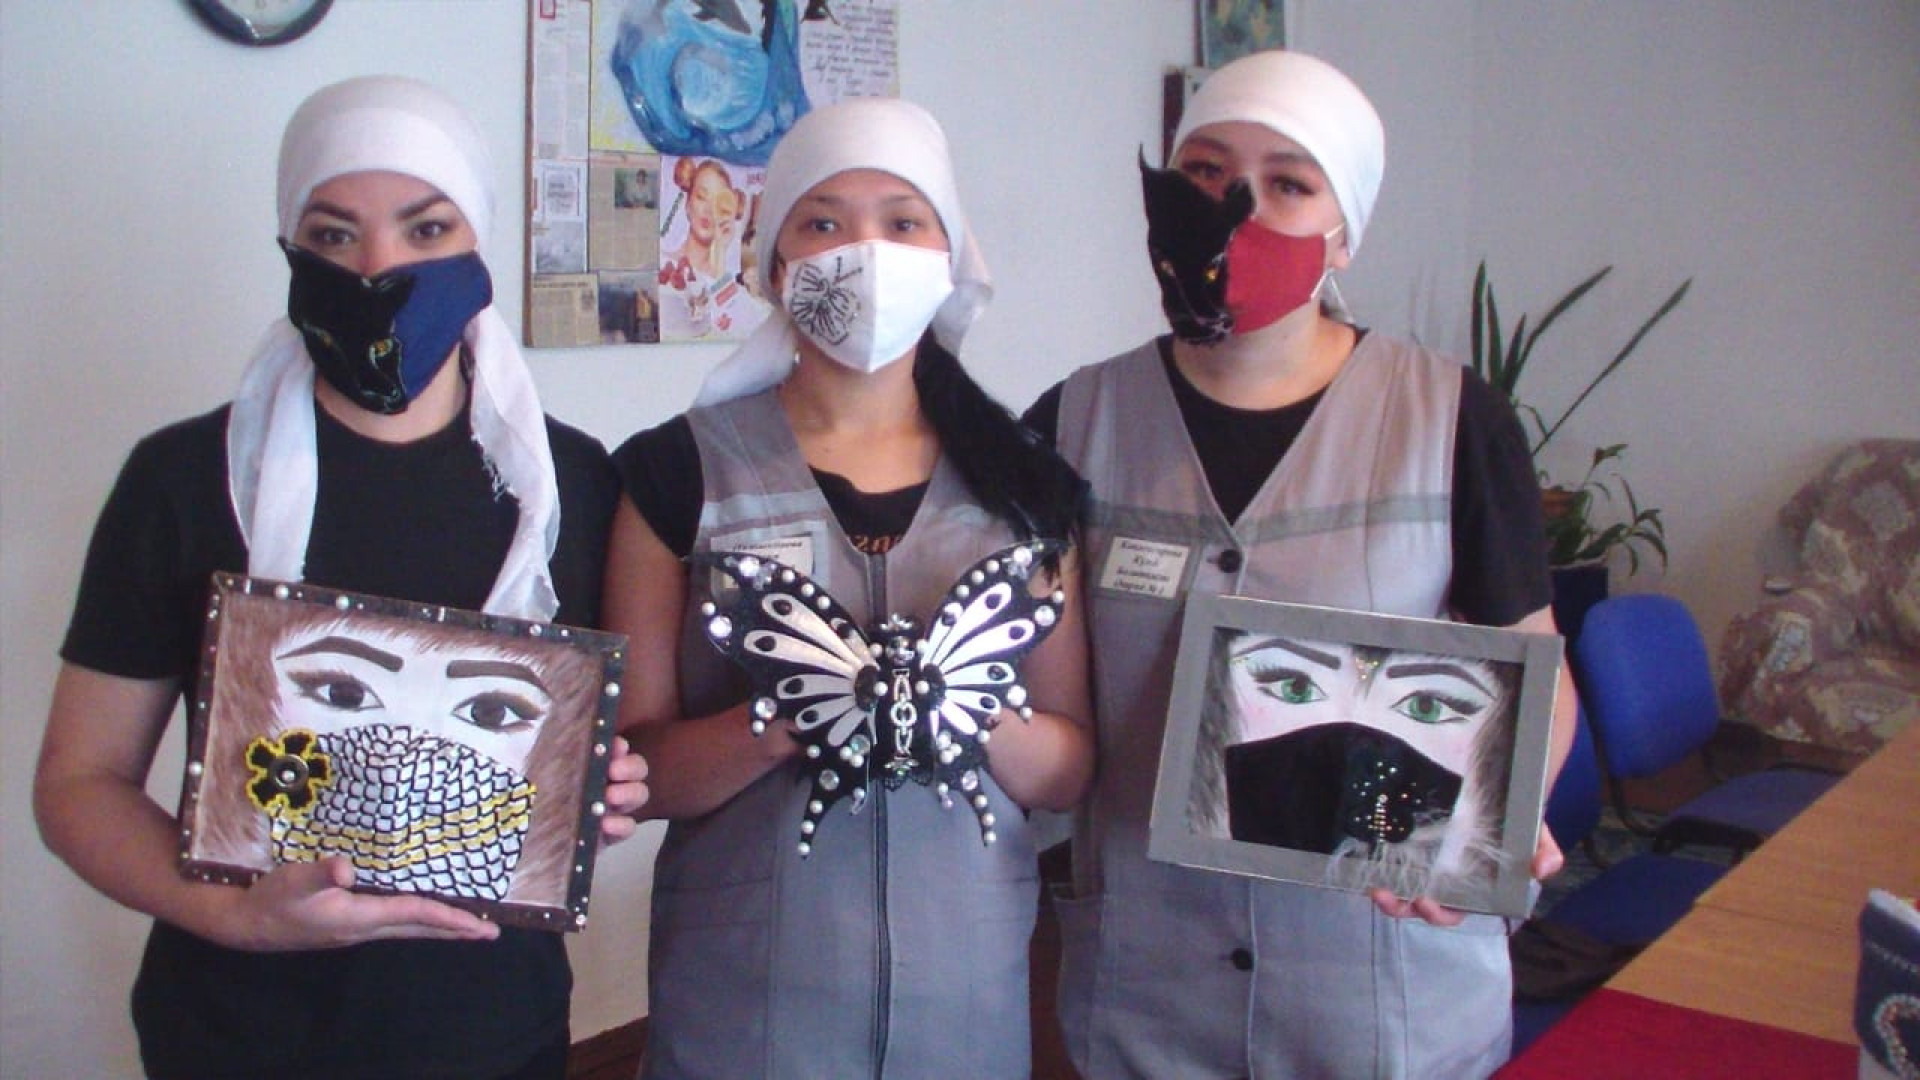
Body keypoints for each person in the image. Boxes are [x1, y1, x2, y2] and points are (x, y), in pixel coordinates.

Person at [32, 75, 648, 1080]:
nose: (377, 269)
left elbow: (581, 758)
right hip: (236, 1036)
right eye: (332, 234)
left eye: (425, 228)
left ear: (479, 243)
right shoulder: (183, 479)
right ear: (290, 245)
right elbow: (77, 783)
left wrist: (592, 792)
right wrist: (236, 917)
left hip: (493, 1032)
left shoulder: (575, 485)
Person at [1023, 50, 1578, 1078]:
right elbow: (1055, 718)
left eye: (1287, 184)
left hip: (1380, 984)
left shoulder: (1454, 418)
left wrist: (1486, 824)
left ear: (1343, 232)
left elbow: (1534, 677)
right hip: (1151, 982)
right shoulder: (1070, 421)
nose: (1236, 209)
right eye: (1205, 172)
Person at [603, 96, 1093, 1078]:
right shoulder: (674, 472)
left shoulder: (1027, 484)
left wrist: (961, 708)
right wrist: (795, 715)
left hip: (965, 1006)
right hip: (745, 1010)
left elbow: (1070, 764)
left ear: (949, 257)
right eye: (823, 221)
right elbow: (637, 767)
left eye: (903, 222)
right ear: (774, 262)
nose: (865, 251)